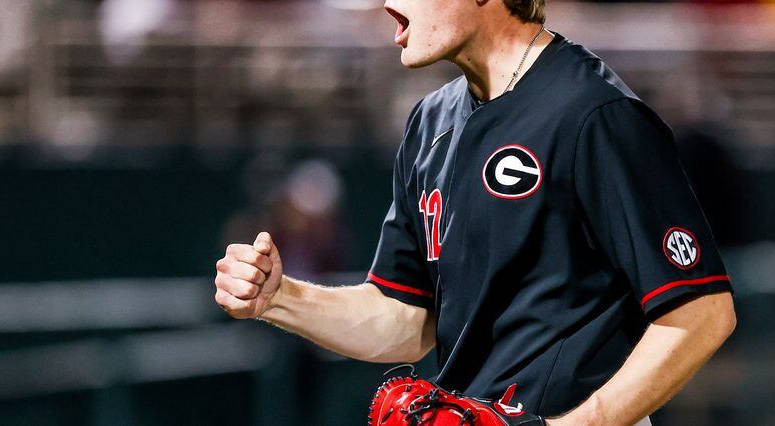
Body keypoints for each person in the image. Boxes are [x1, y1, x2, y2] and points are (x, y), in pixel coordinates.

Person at [213, 0, 737, 423]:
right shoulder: (430, 122)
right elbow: (406, 322)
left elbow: (701, 311)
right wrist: (279, 297)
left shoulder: (594, 113)